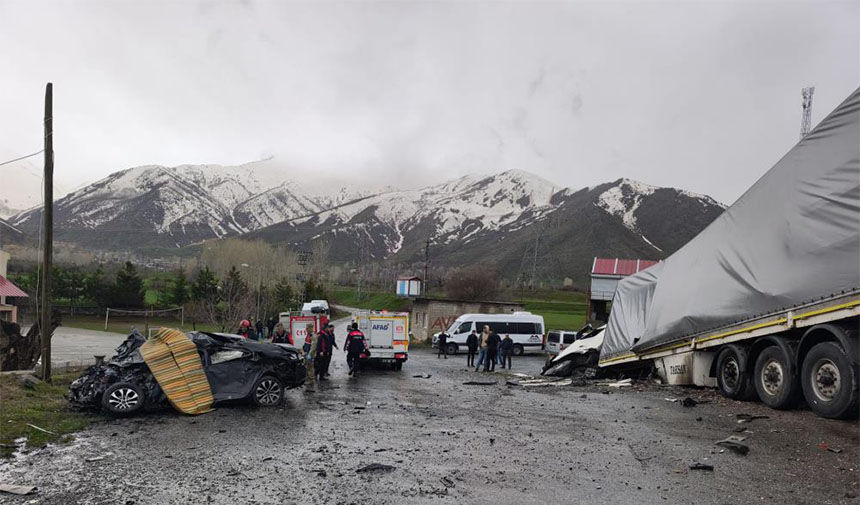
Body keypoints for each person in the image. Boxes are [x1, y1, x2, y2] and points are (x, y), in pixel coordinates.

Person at [304, 323, 318, 391]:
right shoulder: (308, 335)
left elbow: (313, 347)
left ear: (310, 328)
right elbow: (306, 344)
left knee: (310, 370)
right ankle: (307, 383)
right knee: (307, 369)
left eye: (307, 328)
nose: (306, 329)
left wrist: (310, 354)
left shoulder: (313, 336)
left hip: (310, 355)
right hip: (306, 354)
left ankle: (311, 385)